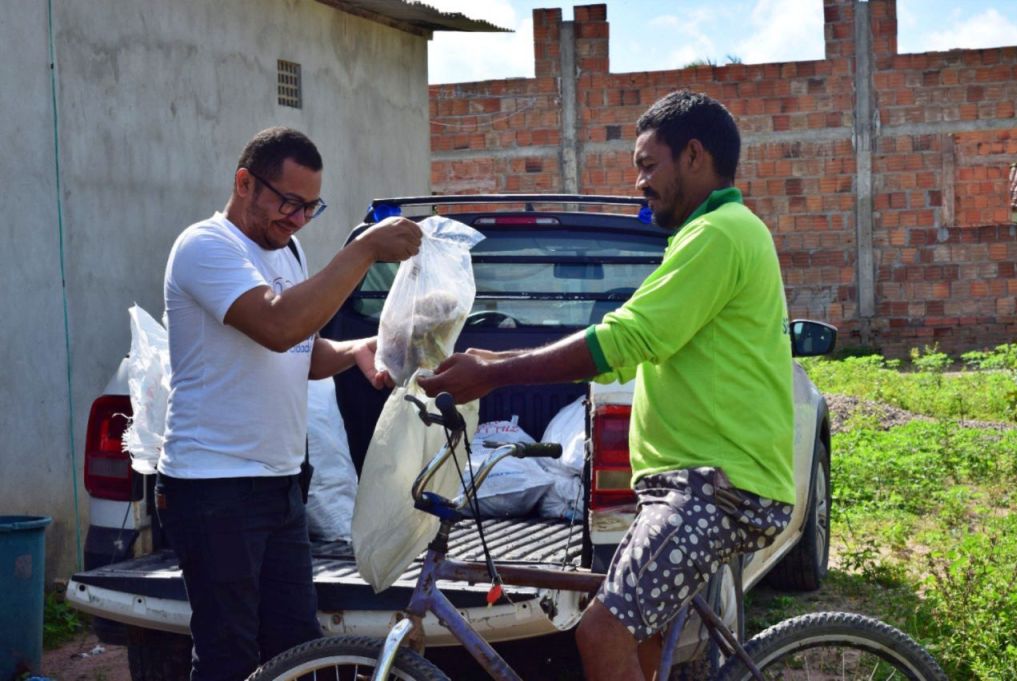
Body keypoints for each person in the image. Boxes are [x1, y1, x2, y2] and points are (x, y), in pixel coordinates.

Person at [419, 91, 794, 680]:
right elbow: (629, 346)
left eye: (648, 165)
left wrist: (495, 373)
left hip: (713, 487)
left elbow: (625, 339)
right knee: (640, 648)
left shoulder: (717, 235)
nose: (640, 180)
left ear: (693, 155)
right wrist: (499, 355)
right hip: (693, 483)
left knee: (601, 632)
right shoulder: (711, 235)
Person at [156, 126, 421, 681]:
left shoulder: (288, 248)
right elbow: (277, 325)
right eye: (288, 203)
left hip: (280, 484)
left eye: (310, 208)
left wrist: (355, 349)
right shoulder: (206, 246)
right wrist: (366, 249)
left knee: (296, 648)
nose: (298, 220)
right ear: (245, 183)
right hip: (213, 488)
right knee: (228, 652)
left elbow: (301, 351)